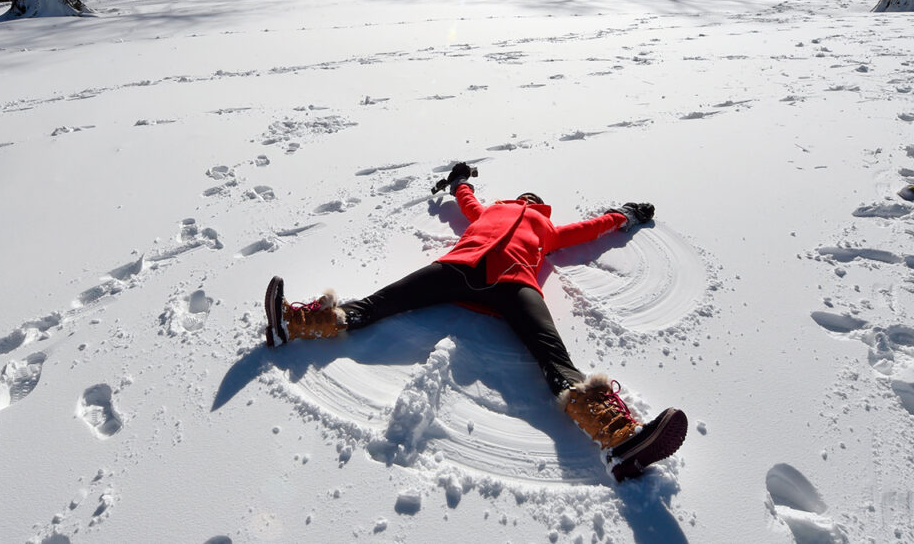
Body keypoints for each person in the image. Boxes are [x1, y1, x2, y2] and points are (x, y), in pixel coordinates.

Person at [264, 162, 687, 481]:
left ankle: (617, 438)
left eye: (533, 202)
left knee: (552, 354)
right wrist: (459, 181)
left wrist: (625, 214)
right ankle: (298, 324)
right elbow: (468, 202)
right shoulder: (492, 212)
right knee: (381, 301)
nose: (528, 203)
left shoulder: (548, 228)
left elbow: (591, 228)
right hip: (458, 267)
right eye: (526, 199)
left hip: (514, 282)